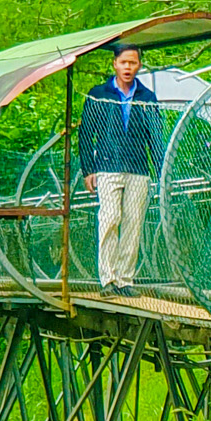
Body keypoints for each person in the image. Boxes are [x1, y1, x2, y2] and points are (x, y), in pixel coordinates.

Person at [77, 42, 164, 293]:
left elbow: (156, 135)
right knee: (110, 218)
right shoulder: (99, 93)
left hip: (138, 169)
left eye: (133, 62)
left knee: (133, 222)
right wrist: (88, 169)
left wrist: (159, 172)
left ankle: (125, 279)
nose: (128, 67)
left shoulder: (146, 97)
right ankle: (108, 278)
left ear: (139, 65)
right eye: (124, 62)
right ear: (115, 63)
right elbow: (86, 134)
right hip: (107, 166)